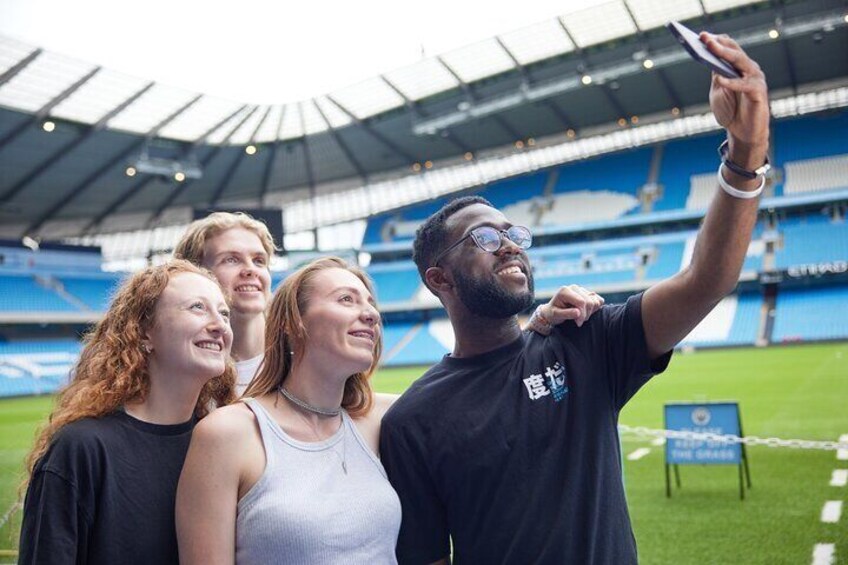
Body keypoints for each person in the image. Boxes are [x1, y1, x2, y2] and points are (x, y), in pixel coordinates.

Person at [379, 31, 769, 564]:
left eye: (514, 233)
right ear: (438, 280)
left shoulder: (585, 342)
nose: (510, 246)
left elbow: (705, 280)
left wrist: (745, 154)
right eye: (486, 239)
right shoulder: (414, 419)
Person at [175, 256, 401, 564]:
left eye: (370, 303)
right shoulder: (229, 434)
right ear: (294, 324)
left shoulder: (381, 420)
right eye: (346, 299)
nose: (371, 314)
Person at [18, 260, 236, 565]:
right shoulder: (82, 448)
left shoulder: (223, 442)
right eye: (197, 307)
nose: (219, 324)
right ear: (145, 332)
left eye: (224, 313)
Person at [174, 212, 276, 394]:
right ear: (195, 274)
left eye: (259, 261)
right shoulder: (174, 371)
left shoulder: (301, 362)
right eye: (231, 260)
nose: (250, 270)